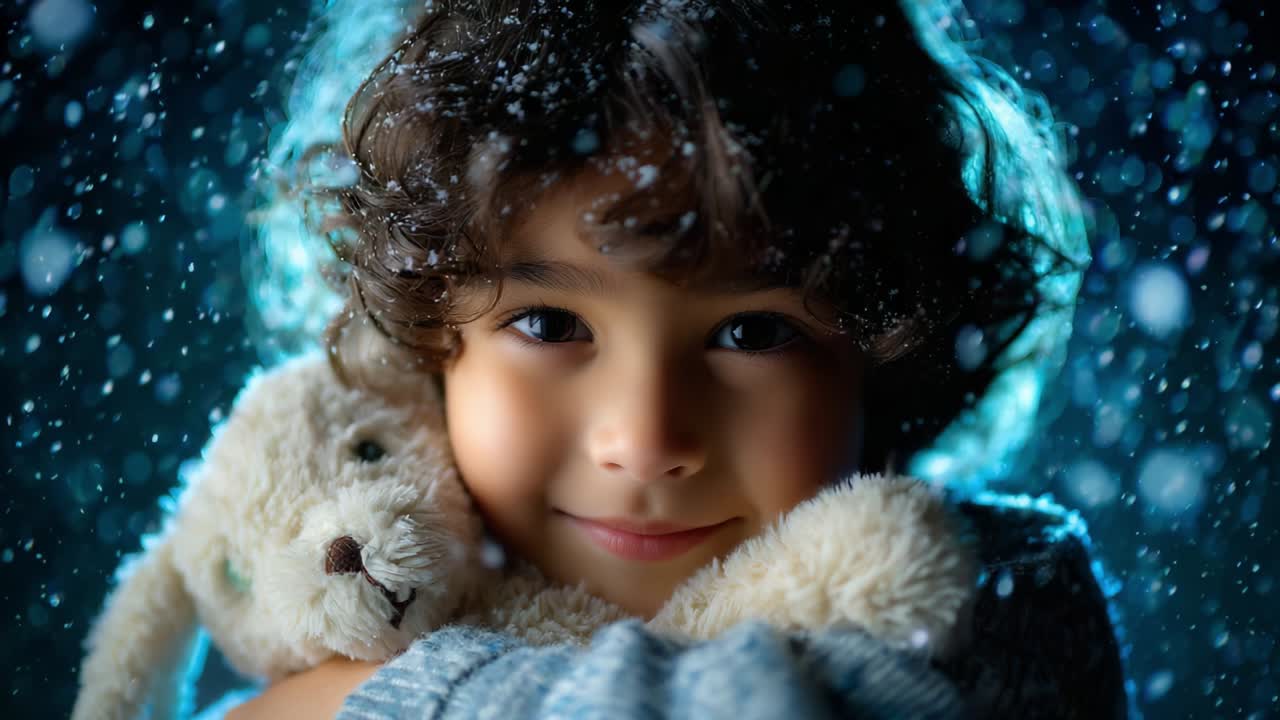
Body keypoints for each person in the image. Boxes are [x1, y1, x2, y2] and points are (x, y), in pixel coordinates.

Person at [227, 0, 1131, 717]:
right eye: (549, 325)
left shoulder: (989, 607)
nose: (647, 437)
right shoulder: (389, 595)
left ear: (890, 357)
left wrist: (345, 706)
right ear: (428, 345)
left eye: (752, 333)